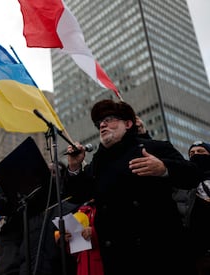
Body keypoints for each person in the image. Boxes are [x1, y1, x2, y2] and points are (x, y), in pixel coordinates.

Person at [64, 99, 199, 275]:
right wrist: (74, 167)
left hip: (160, 254)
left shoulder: (153, 147)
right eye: (99, 123)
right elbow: (77, 196)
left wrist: (164, 168)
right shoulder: (98, 163)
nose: (102, 124)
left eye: (110, 119)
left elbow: (193, 175)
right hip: (118, 259)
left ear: (128, 124)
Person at [0, 161, 76, 275]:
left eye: (53, 172)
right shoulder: (25, 209)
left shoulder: (67, 208)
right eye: (45, 171)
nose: (47, 175)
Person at [187, 141, 210, 275]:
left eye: (200, 152)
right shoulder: (186, 184)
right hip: (200, 256)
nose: (195, 155)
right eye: (192, 153)